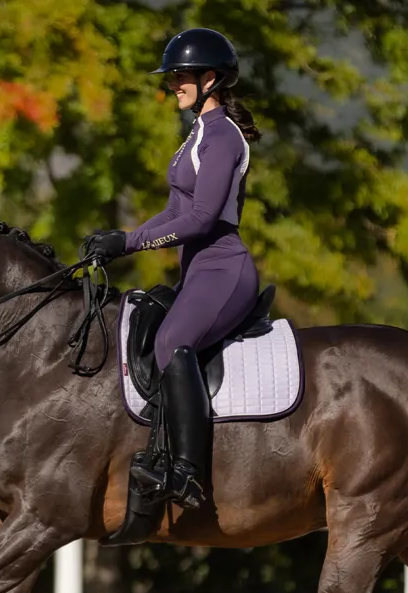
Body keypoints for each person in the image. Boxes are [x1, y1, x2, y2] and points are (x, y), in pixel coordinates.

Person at [85, 28, 261, 542]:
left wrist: (130, 243)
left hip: (224, 268)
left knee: (170, 340)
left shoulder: (223, 135)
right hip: (197, 269)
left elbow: (204, 218)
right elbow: (176, 211)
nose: (173, 86)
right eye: (172, 79)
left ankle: (187, 471)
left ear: (211, 79)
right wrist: (123, 239)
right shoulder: (196, 136)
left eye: (180, 77)